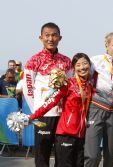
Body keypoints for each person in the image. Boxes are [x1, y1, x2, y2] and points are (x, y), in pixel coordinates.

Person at [22, 22, 71, 167]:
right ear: (40, 38)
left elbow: (70, 87)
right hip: (43, 115)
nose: (51, 38)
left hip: (62, 115)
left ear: (60, 38)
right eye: (47, 35)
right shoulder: (34, 60)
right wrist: (37, 111)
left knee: (62, 155)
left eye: (54, 35)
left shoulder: (66, 61)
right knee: (42, 155)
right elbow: (28, 88)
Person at [30, 53, 91, 167]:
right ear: (73, 68)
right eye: (78, 65)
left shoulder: (89, 86)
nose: (82, 67)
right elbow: (50, 102)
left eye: (85, 63)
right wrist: (32, 116)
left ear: (89, 65)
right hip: (65, 134)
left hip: (81, 136)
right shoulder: (68, 84)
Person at [84, 32, 113, 167]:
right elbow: (84, 78)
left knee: (110, 157)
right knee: (92, 156)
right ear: (106, 45)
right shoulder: (95, 60)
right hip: (96, 109)